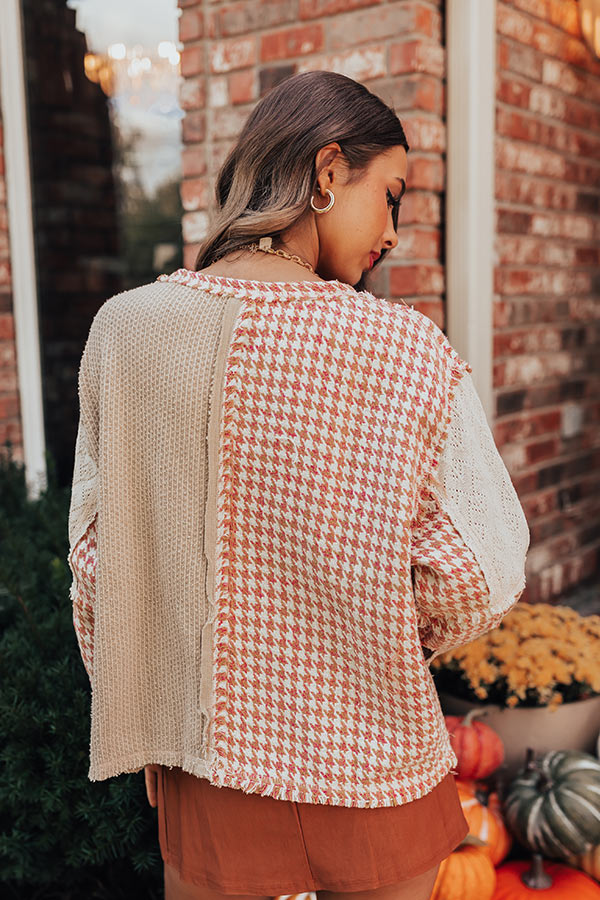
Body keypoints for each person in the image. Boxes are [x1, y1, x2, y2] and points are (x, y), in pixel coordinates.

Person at [67, 71, 530, 900]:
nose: (393, 230)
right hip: (375, 761)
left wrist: (156, 699)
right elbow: (476, 572)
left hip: (206, 761)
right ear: (325, 172)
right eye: (390, 196)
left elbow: (97, 564)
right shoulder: (402, 347)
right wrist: (372, 632)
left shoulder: (123, 332)